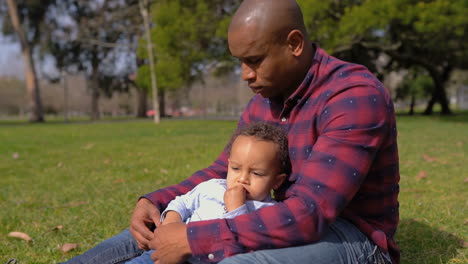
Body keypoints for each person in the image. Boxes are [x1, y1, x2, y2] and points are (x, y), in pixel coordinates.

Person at [62, 0, 400, 263]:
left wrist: (194, 239)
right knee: (156, 230)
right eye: (239, 61)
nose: (244, 75)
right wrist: (156, 201)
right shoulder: (265, 100)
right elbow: (222, 171)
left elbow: (309, 214)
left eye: (254, 60)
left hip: (348, 235)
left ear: (294, 44)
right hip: (262, 210)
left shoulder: (352, 96)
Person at [125, 122, 291, 264]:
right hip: (164, 254)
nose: (242, 179)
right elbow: (182, 202)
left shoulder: (268, 212)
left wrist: (236, 208)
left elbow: (244, 248)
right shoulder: (213, 187)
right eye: (235, 168)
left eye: (256, 173)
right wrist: (172, 221)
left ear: (277, 181)